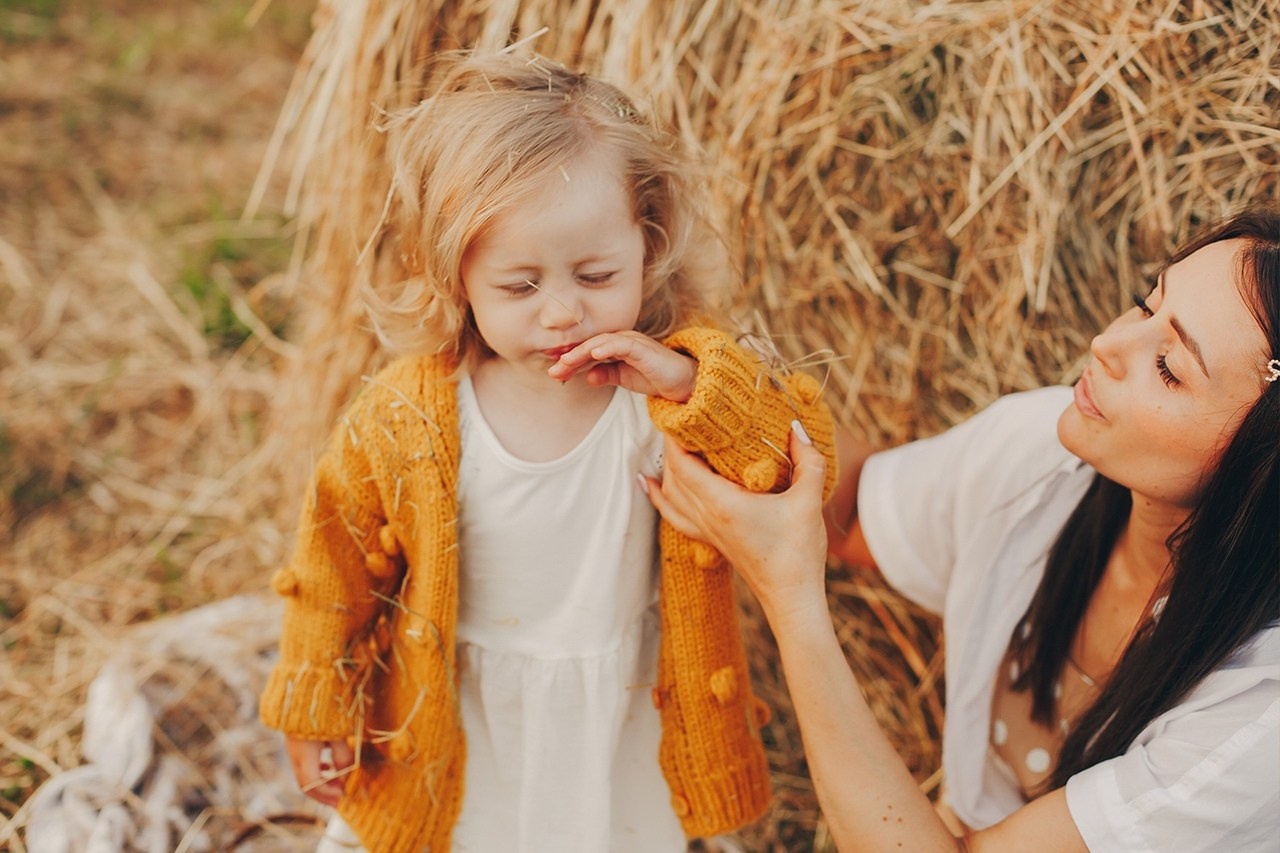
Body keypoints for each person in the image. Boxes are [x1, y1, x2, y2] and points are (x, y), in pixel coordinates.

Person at [257, 53, 836, 852]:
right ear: (455, 276)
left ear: (648, 242)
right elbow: (334, 564)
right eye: (519, 287)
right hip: (457, 716)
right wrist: (315, 700)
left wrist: (690, 384)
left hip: (616, 712)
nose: (563, 311)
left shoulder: (670, 394)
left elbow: (797, 462)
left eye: (596, 273)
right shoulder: (407, 417)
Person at [643, 206, 1280, 850]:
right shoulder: (1042, 457)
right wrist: (716, 395)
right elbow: (856, 508)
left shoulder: (1259, 722)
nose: (1107, 345)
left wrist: (789, 595)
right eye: (1146, 305)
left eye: (1169, 365)